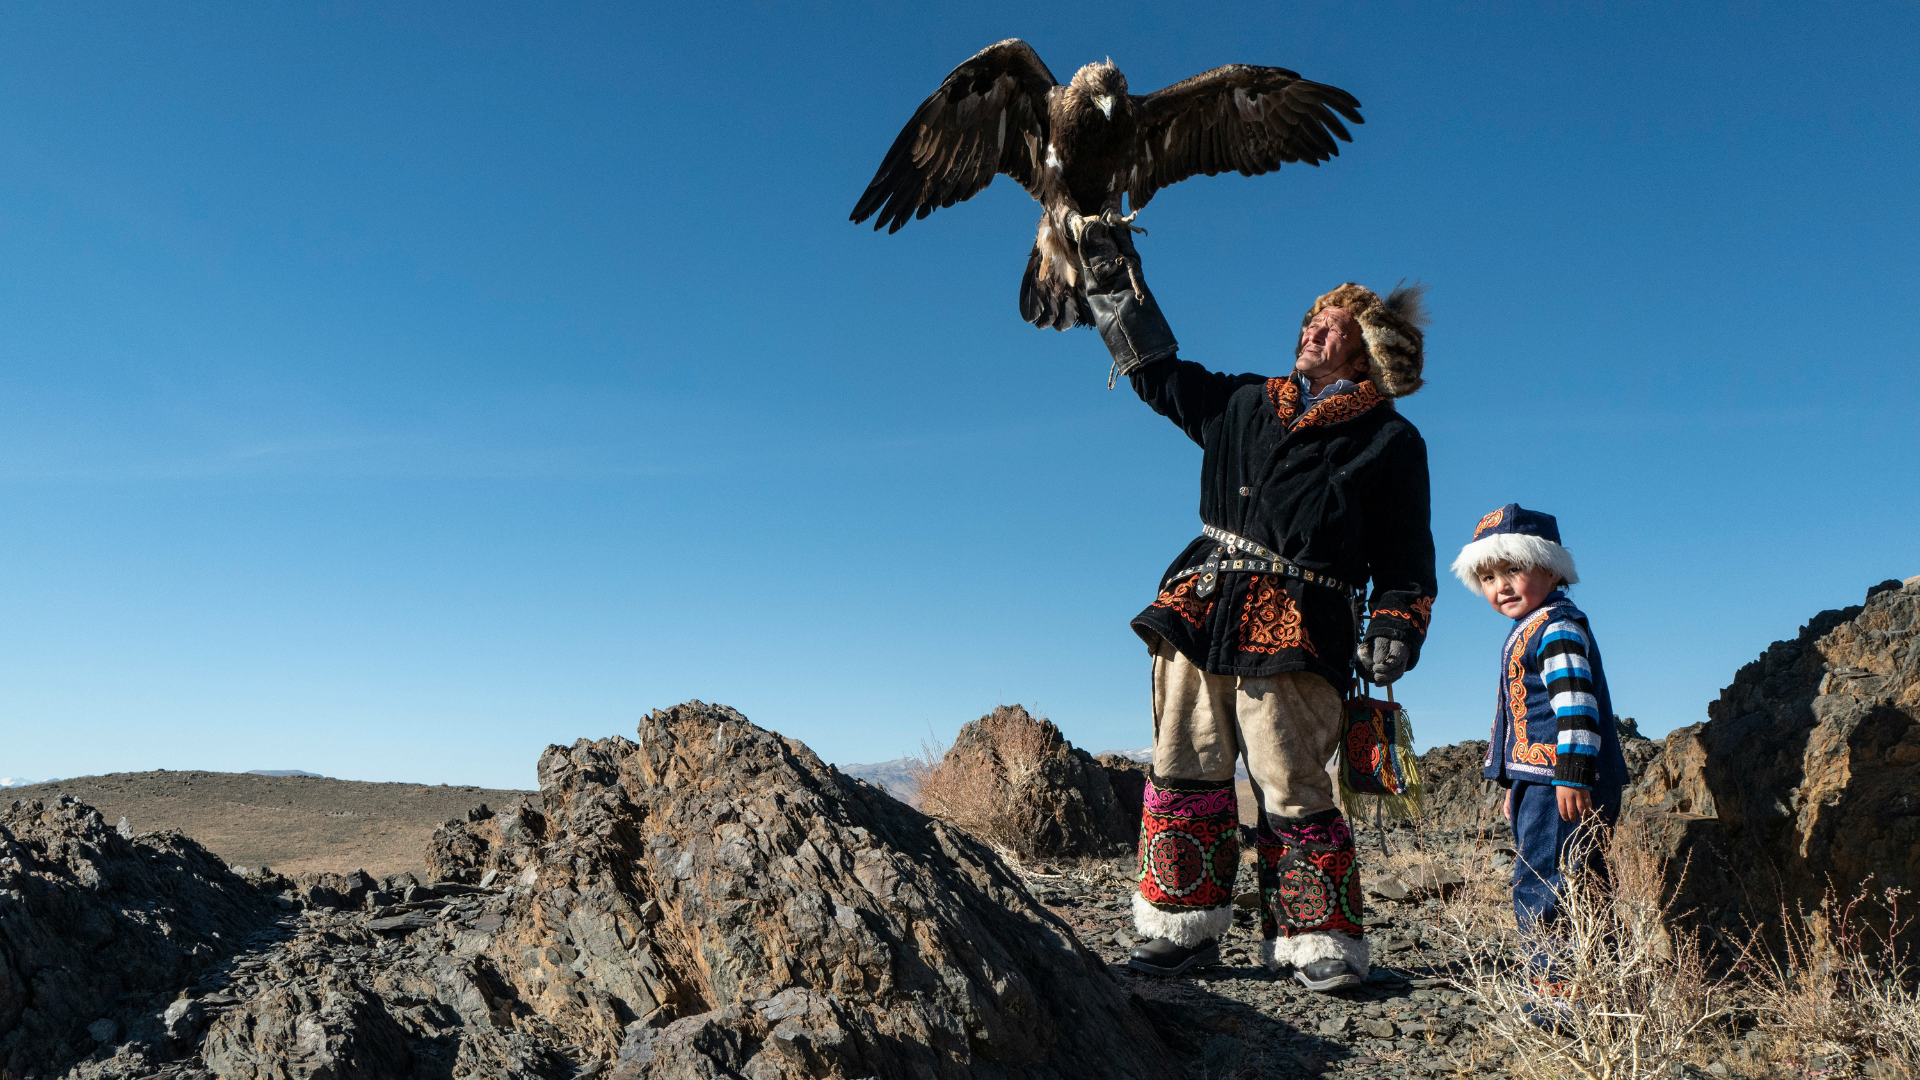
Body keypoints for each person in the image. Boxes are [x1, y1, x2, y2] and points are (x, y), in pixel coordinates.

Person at [1076, 221, 1437, 992]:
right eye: (1310, 320)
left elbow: (1406, 560)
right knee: (1183, 762)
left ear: (1365, 350)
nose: (1311, 331)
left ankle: (1316, 939)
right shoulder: (1241, 402)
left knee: (1291, 777)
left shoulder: (1391, 440)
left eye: (1331, 327)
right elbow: (1159, 375)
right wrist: (1111, 281)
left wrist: (1394, 627)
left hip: (1304, 623)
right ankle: (1180, 928)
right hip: (1202, 606)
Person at [1449, 503, 1629, 968]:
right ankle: (1603, 984)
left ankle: (1555, 990)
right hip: (1543, 780)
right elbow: (1521, 716)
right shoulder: (1531, 628)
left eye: (1514, 569)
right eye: (1488, 577)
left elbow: (1575, 703)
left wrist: (1572, 773)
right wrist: (1515, 784)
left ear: (1551, 569)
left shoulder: (1556, 628)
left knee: (1546, 882)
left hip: (1562, 781)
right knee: (1581, 881)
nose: (1501, 586)